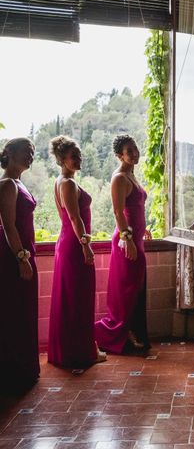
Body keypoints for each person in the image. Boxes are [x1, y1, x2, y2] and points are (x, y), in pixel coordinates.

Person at [48, 136, 107, 368]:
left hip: (66, 243)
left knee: (71, 299)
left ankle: (73, 350)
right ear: (62, 159)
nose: (79, 159)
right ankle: (81, 352)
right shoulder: (68, 183)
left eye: (80, 155)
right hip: (74, 246)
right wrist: (86, 245)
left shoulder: (60, 181)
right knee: (79, 299)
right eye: (74, 156)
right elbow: (74, 217)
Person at [95, 134, 152, 353]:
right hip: (126, 242)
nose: (135, 153)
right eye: (130, 151)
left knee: (136, 289)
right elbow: (118, 211)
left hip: (136, 238)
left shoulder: (132, 175)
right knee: (127, 291)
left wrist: (142, 228)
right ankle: (119, 333)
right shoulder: (119, 177)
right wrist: (127, 239)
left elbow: (134, 208)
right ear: (120, 155)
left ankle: (133, 331)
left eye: (135, 148)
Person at [0, 138, 40, 391]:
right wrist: (21, 258)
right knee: (14, 312)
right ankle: (13, 371)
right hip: (14, 256)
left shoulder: (17, 183)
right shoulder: (6, 184)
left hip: (24, 253)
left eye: (33, 152)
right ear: (10, 153)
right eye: (26, 151)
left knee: (24, 311)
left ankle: (23, 367)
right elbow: (9, 226)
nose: (31, 155)